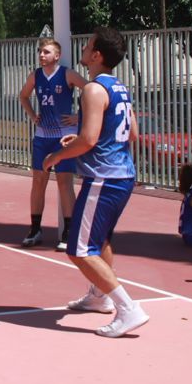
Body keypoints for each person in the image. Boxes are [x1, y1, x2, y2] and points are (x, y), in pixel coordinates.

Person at [42, 27, 149, 338]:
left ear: (97, 55)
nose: (84, 50)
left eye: (88, 46)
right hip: (123, 175)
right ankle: (98, 296)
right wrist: (89, 139)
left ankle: (129, 308)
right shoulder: (120, 87)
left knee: (78, 249)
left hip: (103, 177)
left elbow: (88, 140)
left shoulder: (92, 89)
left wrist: (57, 156)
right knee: (100, 243)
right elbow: (131, 133)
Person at [18, 37, 85, 250]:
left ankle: (68, 232)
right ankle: (35, 228)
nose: (41, 55)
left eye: (46, 52)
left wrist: (79, 116)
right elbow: (23, 96)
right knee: (38, 181)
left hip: (64, 137)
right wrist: (32, 115)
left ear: (57, 56)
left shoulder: (67, 74)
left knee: (65, 182)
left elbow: (91, 90)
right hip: (42, 136)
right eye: (40, 51)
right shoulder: (35, 76)